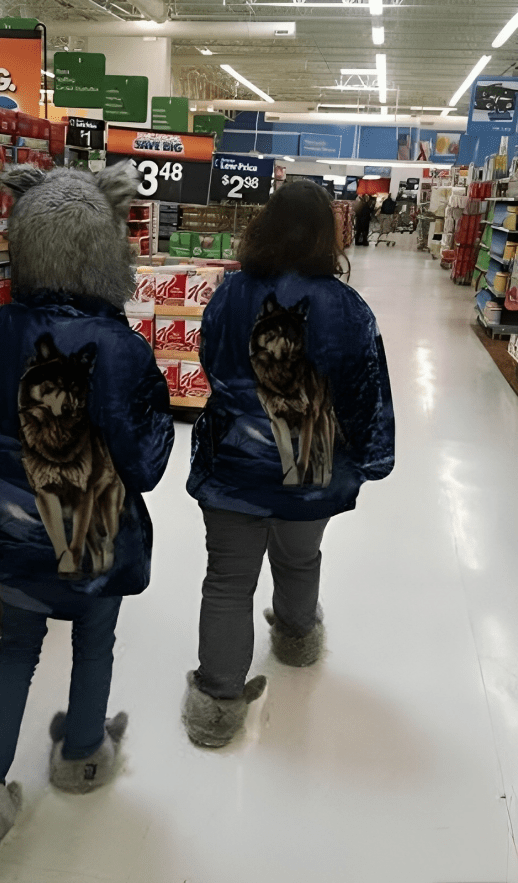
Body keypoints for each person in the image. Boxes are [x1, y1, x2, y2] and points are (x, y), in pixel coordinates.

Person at [0, 163, 175, 879]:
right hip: (99, 549)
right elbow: (147, 461)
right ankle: (80, 758)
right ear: (107, 247)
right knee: (95, 647)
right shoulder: (124, 349)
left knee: (15, 652)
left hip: (17, 540)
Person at [182, 180, 395, 748]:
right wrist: (374, 458)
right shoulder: (348, 309)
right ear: (328, 236)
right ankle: (297, 640)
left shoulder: (229, 295)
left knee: (227, 580)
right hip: (313, 472)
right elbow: (365, 393)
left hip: (231, 470)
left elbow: (209, 361)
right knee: (301, 560)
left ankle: (216, 706)